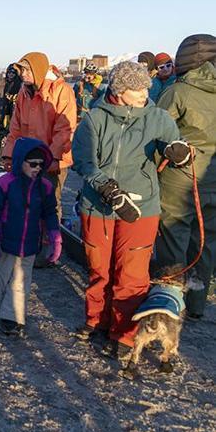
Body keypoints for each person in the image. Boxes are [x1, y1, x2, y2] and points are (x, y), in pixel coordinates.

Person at [71, 60, 187, 357]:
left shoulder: (158, 117)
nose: (144, 93)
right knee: (99, 269)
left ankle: (124, 334)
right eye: (137, 89)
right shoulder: (95, 118)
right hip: (99, 205)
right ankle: (96, 319)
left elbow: (173, 147)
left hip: (142, 206)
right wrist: (107, 188)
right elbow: (84, 161)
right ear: (120, 91)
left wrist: (180, 154)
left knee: (132, 273)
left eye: (146, 87)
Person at [155, 33, 216, 321]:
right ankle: (196, 305)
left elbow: (155, 131)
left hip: (181, 179)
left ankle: (169, 305)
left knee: (173, 240)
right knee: (206, 242)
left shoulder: (178, 91)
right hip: (213, 179)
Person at [1, 52, 76, 263]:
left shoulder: (61, 91)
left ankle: (49, 249)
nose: (22, 74)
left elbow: (64, 129)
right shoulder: (23, 94)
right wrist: (9, 155)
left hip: (54, 160)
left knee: (50, 204)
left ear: (37, 69)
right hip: (30, 159)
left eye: (25, 70)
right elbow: (15, 128)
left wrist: (49, 158)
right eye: (21, 70)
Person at [0, 137, 61, 336]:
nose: (37, 168)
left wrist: (55, 237)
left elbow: (50, 213)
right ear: (21, 162)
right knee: (2, 278)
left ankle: (12, 317)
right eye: (32, 164)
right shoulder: (4, 184)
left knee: (21, 281)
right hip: (6, 242)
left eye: (40, 164)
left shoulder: (44, 187)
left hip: (30, 244)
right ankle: (1, 306)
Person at [0, 64, 22, 164]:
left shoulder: (20, 84)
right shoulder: (0, 82)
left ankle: (8, 157)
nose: (11, 74)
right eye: (9, 72)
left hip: (13, 114)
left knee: (11, 136)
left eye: (13, 72)